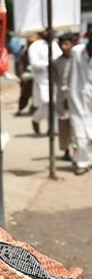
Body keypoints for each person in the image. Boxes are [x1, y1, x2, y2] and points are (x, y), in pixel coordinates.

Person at [68, 25, 92, 175]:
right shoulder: (77, 52)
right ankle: (82, 163)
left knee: (90, 134)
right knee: (80, 134)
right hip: (76, 98)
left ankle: (86, 159)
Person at [28, 30, 62, 134]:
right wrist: (48, 64)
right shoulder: (35, 46)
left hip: (55, 78)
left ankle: (52, 128)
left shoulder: (55, 44)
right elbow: (34, 63)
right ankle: (36, 119)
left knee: (55, 103)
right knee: (47, 102)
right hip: (42, 78)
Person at [52, 33, 77, 162]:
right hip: (62, 97)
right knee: (63, 125)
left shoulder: (77, 60)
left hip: (76, 98)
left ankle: (77, 152)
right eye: (62, 44)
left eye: (67, 44)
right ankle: (66, 150)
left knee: (76, 126)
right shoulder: (57, 62)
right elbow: (56, 80)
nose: (64, 47)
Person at [15, 35, 36, 116]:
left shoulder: (37, 50)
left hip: (36, 75)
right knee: (25, 94)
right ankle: (21, 108)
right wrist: (22, 75)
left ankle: (34, 108)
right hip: (27, 76)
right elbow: (20, 64)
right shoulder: (24, 52)